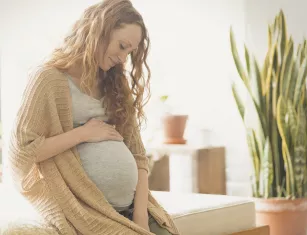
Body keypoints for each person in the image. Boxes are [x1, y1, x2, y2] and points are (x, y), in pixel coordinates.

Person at [8, 0, 180, 234]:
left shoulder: (116, 84)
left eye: (129, 52)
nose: (123, 58)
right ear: (99, 31)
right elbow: (22, 154)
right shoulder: (48, 79)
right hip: (85, 211)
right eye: (121, 46)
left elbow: (138, 156)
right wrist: (83, 134)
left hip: (132, 209)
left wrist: (140, 217)